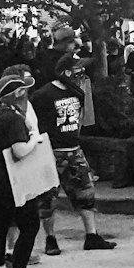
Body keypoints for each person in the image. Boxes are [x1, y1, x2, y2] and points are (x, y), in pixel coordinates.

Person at [30, 54, 116, 254]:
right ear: (65, 72)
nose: (79, 75)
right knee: (48, 199)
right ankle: (51, 239)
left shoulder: (77, 92)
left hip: (73, 150)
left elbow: (79, 119)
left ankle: (91, 235)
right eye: (76, 71)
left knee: (86, 192)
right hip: (51, 153)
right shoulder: (43, 95)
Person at [0, 72, 47, 268]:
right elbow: (19, 151)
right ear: (18, 93)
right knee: (30, 226)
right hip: (12, 182)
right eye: (24, 91)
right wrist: (34, 141)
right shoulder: (12, 118)